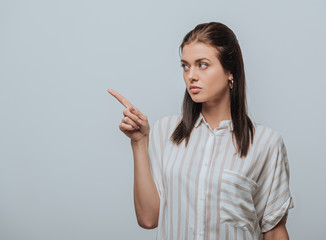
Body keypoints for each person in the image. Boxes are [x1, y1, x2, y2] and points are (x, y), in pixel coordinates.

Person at [108, 22, 294, 240]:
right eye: (185, 66)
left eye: (202, 65)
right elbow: (149, 219)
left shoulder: (265, 143)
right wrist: (139, 143)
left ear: (230, 72)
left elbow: (274, 231)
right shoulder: (165, 131)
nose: (191, 76)